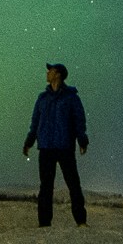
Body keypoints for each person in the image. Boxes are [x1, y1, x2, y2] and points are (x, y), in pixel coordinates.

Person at [23, 63, 88, 227]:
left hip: (65, 146)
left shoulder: (71, 97)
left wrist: (82, 139)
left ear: (58, 74)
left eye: (50, 70)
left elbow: (79, 119)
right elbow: (35, 122)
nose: (47, 72)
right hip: (45, 147)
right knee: (45, 186)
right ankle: (44, 224)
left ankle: (81, 221)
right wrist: (29, 141)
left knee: (73, 184)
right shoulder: (42, 98)